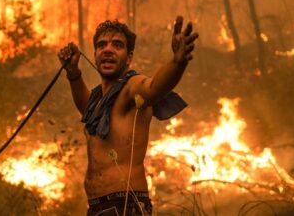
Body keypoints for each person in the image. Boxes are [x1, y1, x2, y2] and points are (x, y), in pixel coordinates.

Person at [58, 16, 198, 215]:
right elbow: (86, 107)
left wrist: (178, 61)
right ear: (96, 54)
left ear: (129, 57)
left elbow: (153, 88)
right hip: (98, 207)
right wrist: (73, 73)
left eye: (117, 45)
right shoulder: (98, 100)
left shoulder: (131, 87)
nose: (108, 49)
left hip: (125, 204)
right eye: (101, 45)